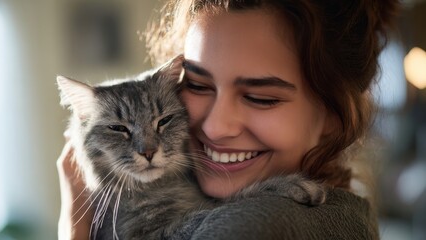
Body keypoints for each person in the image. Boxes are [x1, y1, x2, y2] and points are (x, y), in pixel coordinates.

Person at [57, 0, 400, 239]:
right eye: (197, 85)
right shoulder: (349, 211)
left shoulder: (254, 227)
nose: (215, 128)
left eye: (260, 97)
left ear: (336, 116)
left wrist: (74, 226)